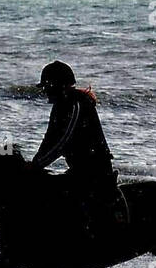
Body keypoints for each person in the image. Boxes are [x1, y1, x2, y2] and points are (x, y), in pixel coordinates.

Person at [30, 60, 128, 227]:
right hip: (78, 169)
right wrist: (35, 162)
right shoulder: (60, 106)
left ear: (57, 85)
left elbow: (62, 141)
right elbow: (48, 140)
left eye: (47, 86)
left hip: (93, 169)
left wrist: (37, 164)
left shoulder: (75, 104)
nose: (45, 90)